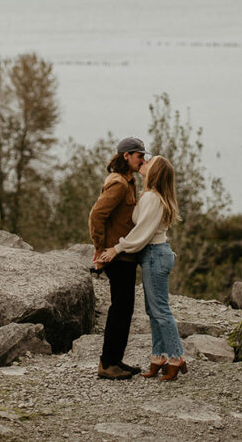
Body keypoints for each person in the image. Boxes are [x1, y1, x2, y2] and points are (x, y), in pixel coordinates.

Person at [98, 155, 188, 381]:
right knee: (153, 310)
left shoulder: (151, 198)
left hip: (154, 254)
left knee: (160, 310)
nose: (143, 162)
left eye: (149, 161)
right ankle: (158, 357)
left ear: (154, 171)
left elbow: (141, 233)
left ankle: (176, 357)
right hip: (155, 255)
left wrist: (117, 249)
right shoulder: (152, 196)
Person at [89, 136, 148, 380]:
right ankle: (107, 363)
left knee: (123, 310)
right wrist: (100, 249)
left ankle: (115, 360)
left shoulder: (127, 181)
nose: (143, 160)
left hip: (124, 256)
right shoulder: (120, 185)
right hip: (118, 257)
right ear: (127, 156)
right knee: (120, 311)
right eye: (139, 155)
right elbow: (96, 215)